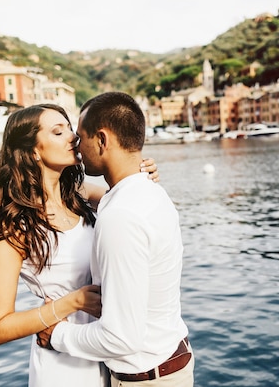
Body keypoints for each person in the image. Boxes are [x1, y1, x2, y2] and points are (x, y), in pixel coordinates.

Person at [0, 103, 159, 387]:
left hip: (109, 353)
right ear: (33, 150)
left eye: (70, 128)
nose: (73, 137)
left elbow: (133, 202)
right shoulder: (15, 225)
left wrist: (142, 173)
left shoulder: (82, 196)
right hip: (62, 363)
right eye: (58, 131)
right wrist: (73, 302)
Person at [37, 92, 194, 386]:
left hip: (147, 379)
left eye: (80, 136)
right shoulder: (147, 193)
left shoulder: (121, 215)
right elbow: (90, 195)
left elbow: (121, 337)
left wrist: (56, 334)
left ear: (102, 140)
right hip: (169, 362)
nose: (76, 145)